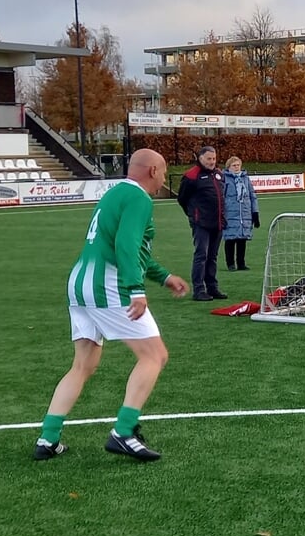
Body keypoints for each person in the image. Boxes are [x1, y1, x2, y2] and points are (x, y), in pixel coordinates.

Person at [32, 148, 191, 462]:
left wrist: (164, 276)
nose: (163, 176)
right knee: (155, 356)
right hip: (107, 286)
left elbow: (126, 246)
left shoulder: (114, 194)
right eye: (163, 170)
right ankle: (124, 431)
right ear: (153, 171)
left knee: (83, 366)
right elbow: (125, 246)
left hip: (79, 284)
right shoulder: (139, 199)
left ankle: (47, 439)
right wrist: (135, 290)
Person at [176, 145, 225, 301]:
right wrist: (193, 216)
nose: (212, 162)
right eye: (209, 159)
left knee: (212, 256)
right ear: (201, 158)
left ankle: (212, 287)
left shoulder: (218, 174)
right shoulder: (191, 176)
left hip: (217, 222)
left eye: (214, 158)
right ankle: (198, 290)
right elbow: (182, 199)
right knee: (201, 256)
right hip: (201, 223)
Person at [221, 155, 259, 271]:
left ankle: (241, 263)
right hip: (230, 214)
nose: (237, 167)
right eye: (234, 165)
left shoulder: (245, 179)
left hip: (245, 213)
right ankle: (230, 263)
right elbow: (221, 197)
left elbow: (252, 196)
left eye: (238, 165)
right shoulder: (225, 179)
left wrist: (255, 213)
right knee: (230, 240)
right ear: (229, 167)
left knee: (242, 240)